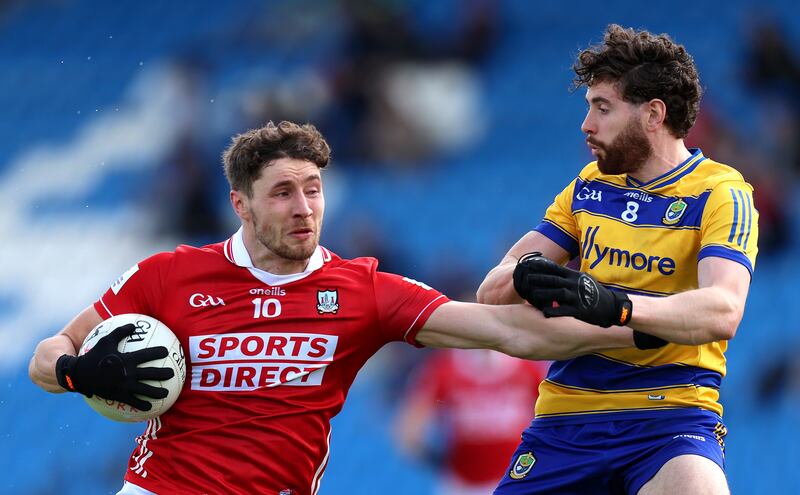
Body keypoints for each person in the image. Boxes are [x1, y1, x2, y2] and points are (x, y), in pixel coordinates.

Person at [29, 121, 637, 495]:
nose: (304, 207)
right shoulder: (170, 274)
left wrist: (635, 325)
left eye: (314, 189)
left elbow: (506, 330)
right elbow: (48, 353)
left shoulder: (361, 290)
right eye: (283, 192)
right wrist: (75, 371)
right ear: (241, 204)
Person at [477, 25, 758, 495]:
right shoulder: (589, 187)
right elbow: (491, 293)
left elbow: (723, 310)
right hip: (567, 421)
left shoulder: (721, 193)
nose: (587, 124)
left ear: (653, 114)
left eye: (602, 108)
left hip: (669, 417)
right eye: (589, 107)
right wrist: (528, 274)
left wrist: (614, 305)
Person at [395, 349, 547, 495]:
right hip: (464, 484)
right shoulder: (443, 368)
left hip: (517, 480)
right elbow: (411, 429)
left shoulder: (528, 368)